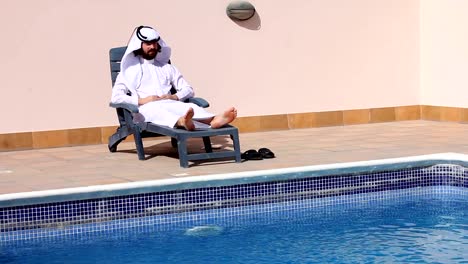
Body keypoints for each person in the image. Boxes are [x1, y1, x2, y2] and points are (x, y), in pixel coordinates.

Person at [111, 26, 237, 131]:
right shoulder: (127, 71)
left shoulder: (167, 68)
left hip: (169, 103)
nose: (153, 47)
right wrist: (142, 100)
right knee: (157, 109)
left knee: (187, 107)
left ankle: (213, 120)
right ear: (139, 45)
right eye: (148, 44)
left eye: (155, 43)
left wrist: (173, 97)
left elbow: (188, 89)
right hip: (144, 110)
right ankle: (183, 121)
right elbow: (116, 98)